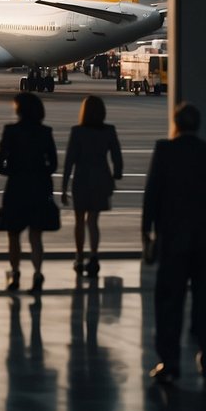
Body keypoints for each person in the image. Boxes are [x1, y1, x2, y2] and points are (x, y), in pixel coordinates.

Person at [141, 103, 206, 387]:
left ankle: (169, 363)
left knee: (169, 303)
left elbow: (152, 195)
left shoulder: (165, 152)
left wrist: (147, 232)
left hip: (174, 240)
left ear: (176, 125)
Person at [0, 92, 58, 293]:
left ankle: (15, 274)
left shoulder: (11, 131)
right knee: (36, 236)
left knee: (13, 235)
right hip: (39, 187)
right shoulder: (45, 132)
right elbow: (53, 164)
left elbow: (0, 164)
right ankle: (38, 273)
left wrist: (13, 171)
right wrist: (40, 173)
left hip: (17, 187)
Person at [60, 95, 123, 277]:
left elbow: (69, 162)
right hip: (101, 179)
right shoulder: (109, 131)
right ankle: (94, 256)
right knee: (93, 221)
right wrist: (116, 175)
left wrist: (64, 187)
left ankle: (79, 257)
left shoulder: (77, 131)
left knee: (79, 221)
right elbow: (117, 156)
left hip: (81, 180)